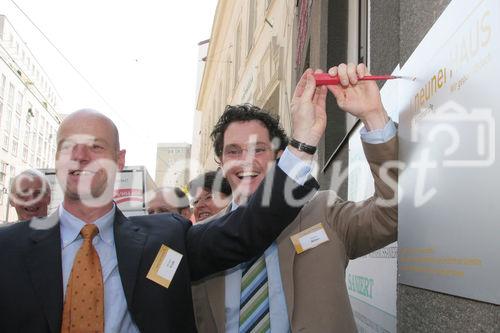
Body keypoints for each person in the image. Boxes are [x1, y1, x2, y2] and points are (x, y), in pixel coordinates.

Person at [0, 66, 325, 332]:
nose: (83, 156)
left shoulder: (166, 238)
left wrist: (303, 143)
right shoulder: (7, 249)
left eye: (96, 146)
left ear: (120, 159)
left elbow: (248, 228)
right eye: (70, 146)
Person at [192, 63, 398, 332]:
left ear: (279, 155)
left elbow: (392, 215)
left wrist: (374, 117)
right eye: (233, 151)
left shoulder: (324, 213)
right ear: (220, 163)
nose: (246, 161)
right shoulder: (203, 241)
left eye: (258, 149)